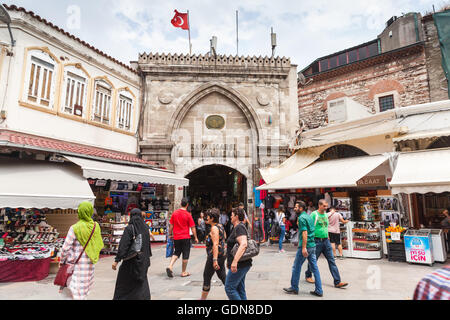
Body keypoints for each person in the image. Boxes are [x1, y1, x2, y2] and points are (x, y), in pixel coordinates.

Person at [59, 202, 104, 300]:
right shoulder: (96, 226)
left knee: (75, 292)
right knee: (84, 291)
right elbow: (99, 245)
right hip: (89, 265)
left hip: (76, 265)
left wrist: (62, 261)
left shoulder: (74, 228)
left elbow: (65, 248)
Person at [305, 199, 348, 288]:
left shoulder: (325, 215)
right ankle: (308, 275)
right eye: (324, 206)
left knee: (332, 260)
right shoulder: (314, 214)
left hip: (325, 241)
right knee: (313, 260)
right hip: (316, 241)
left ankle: (337, 282)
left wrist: (327, 236)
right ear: (319, 205)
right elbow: (309, 227)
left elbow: (325, 227)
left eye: (326, 206)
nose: (326, 208)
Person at [283, 201, 323, 297]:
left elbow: (304, 233)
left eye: (296, 207)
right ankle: (319, 290)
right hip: (312, 245)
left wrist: (304, 248)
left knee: (296, 267)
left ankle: (294, 287)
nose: (294, 208)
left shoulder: (301, 218)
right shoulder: (308, 216)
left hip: (306, 246)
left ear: (301, 208)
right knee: (315, 269)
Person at [112, 208, 152, 300]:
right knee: (141, 281)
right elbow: (147, 244)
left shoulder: (130, 228)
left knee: (124, 283)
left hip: (131, 261)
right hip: (143, 260)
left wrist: (116, 260)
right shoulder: (146, 227)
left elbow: (123, 246)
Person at [166, 198, 199, 278]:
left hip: (176, 237)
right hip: (185, 237)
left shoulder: (175, 213)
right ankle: (183, 272)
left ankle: (170, 266)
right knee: (185, 254)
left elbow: (171, 225)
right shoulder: (188, 214)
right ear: (187, 205)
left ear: (181, 203)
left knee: (177, 252)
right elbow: (193, 227)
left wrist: (170, 234)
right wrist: (196, 237)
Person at [225, 208, 252, 300]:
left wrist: (234, 262)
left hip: (240, 264)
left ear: (236, 217)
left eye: (232, 215)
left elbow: (243, 244)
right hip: (241, 264)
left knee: (229, 288)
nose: (230, 217)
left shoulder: (239, 227)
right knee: (240, 289)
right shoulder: (236, 227)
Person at [201, 208, 227, 300]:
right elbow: (224, 238)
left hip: (214, 256)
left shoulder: (214, 228)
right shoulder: (220, 226)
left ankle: (202, 299)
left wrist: (214, 260)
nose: (205, 218)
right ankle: (234, 293)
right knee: (223, 277)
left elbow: (215, 244)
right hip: (221, 255)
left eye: (207, 216)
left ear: (212, 218)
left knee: (207, 276)